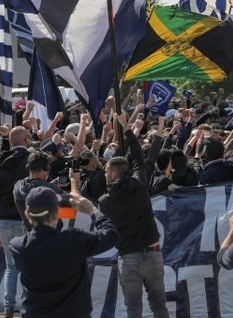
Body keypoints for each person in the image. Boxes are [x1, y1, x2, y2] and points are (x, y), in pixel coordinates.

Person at [98, 115, 169, 318]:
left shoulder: (105, 201)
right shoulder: (140, 186)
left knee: (133, 310)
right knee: (159, 306)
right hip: (153, 255)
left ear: (113, 175)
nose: (104, 174)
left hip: (128, 258)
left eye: (106, 172)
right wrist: (127, 128)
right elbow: (139, 157)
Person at [9, 187, 118, 318]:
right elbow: (111, 235)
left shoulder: (18, 247)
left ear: (27, 214)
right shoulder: (73, 241)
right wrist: (92, 210)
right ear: (57, 213)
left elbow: (45, 243)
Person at [0, 125, 31, 317]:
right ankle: (29, 308)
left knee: (11, 267)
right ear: (26, 140)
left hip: (3, 221)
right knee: (29, 266)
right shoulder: (32, 162)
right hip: (26, 220)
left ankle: (8, 308)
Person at [12, 151, 66, 230]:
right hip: (51, 237)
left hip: (29, 236)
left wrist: (53, 183)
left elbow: (35, 188)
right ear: (46, 168)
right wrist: (74, 181)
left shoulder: (18, 186)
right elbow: (72, 200)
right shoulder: (50, 189)